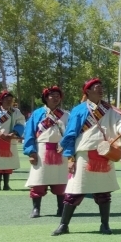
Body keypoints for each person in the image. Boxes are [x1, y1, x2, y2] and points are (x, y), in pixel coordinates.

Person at [54, 78, 121, 236]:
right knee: (74, 191)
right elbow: (70, 134)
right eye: (96, 87)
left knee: (104, 192)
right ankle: (64, 225)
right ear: (88, 91)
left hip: (105, 153)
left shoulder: (110, 109)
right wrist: (70, 158)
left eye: (101, 87)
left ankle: (104, 225)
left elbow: (118, 124)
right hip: (84, 154)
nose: (100, 90)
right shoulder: (79, 110)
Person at [23, 86, 69, 219]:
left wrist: (66, 146)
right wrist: (31, 152)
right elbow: (29, 133)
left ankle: (61, 209)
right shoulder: (37, 114)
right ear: (45, 98)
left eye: (58, 96)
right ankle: (36, 208)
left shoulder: (66, 115)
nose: (55, 98)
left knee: (61, 181)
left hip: (60, 151)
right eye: (52, 95)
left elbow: (71, 133)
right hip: (41, 151)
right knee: (39, 181)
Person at [0, 92, 26, 191]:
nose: (9, 101)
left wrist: (14, 133)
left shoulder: (16, 111)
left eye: (11, 100)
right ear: (1, 100)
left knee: (8, 164)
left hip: (10, 140)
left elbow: (21, 123)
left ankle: (6, 184)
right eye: (7, 99)